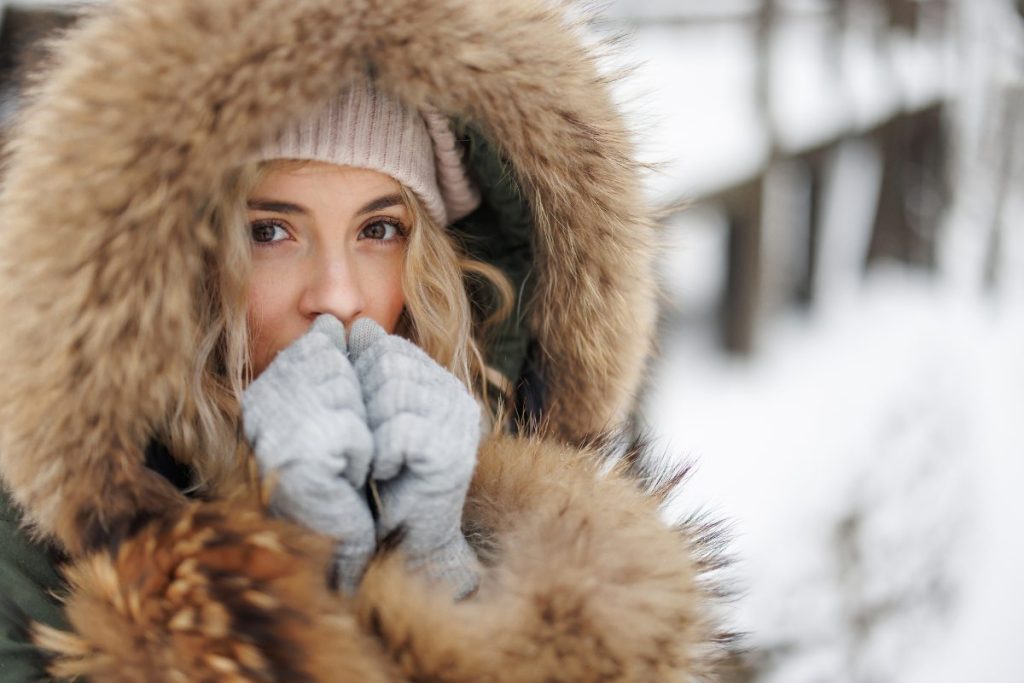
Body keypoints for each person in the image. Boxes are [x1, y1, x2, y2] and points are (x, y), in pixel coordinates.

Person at [0, 0, 727, 681]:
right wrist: (292, 587)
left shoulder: (539, 517)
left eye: (379, 230)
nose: (338, 297)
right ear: (176, 266)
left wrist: (442, 571)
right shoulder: (28, 545)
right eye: (270, 232)